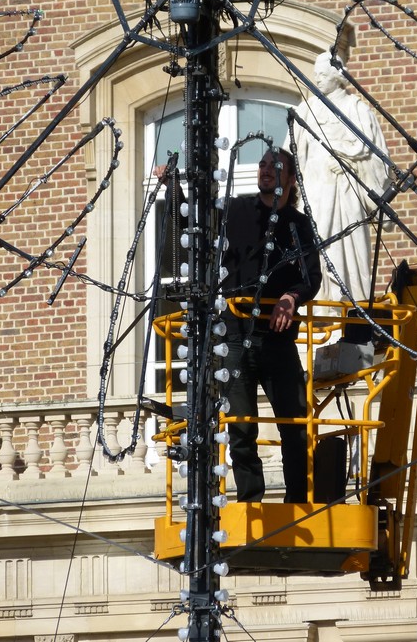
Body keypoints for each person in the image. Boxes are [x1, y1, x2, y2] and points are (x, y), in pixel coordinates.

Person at [158, 148, 322, 502]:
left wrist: (291, 297)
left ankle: (298, 500)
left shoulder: (298, 225)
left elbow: (312, 277)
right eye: (262, 164)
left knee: (295, 424)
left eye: (275, 166)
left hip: (278, 339)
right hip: (233, 335)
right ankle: (251, 500)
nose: (265, 170)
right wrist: (173, 186)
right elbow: (192, 227)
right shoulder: (235, 211)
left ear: (290, 179)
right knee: (241, 427)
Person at [292, 53, 391, 303]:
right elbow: (290, 156)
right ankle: (314, 303)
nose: (318, 80)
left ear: (337, 76)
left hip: (346, 196)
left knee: (344, 251)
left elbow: (378, 159)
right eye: (315, 75)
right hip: (313, 192)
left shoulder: (356, 109)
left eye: (323, 75)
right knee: (312, 248)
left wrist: (349, 163)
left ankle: (347, 307)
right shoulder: (305, 108)